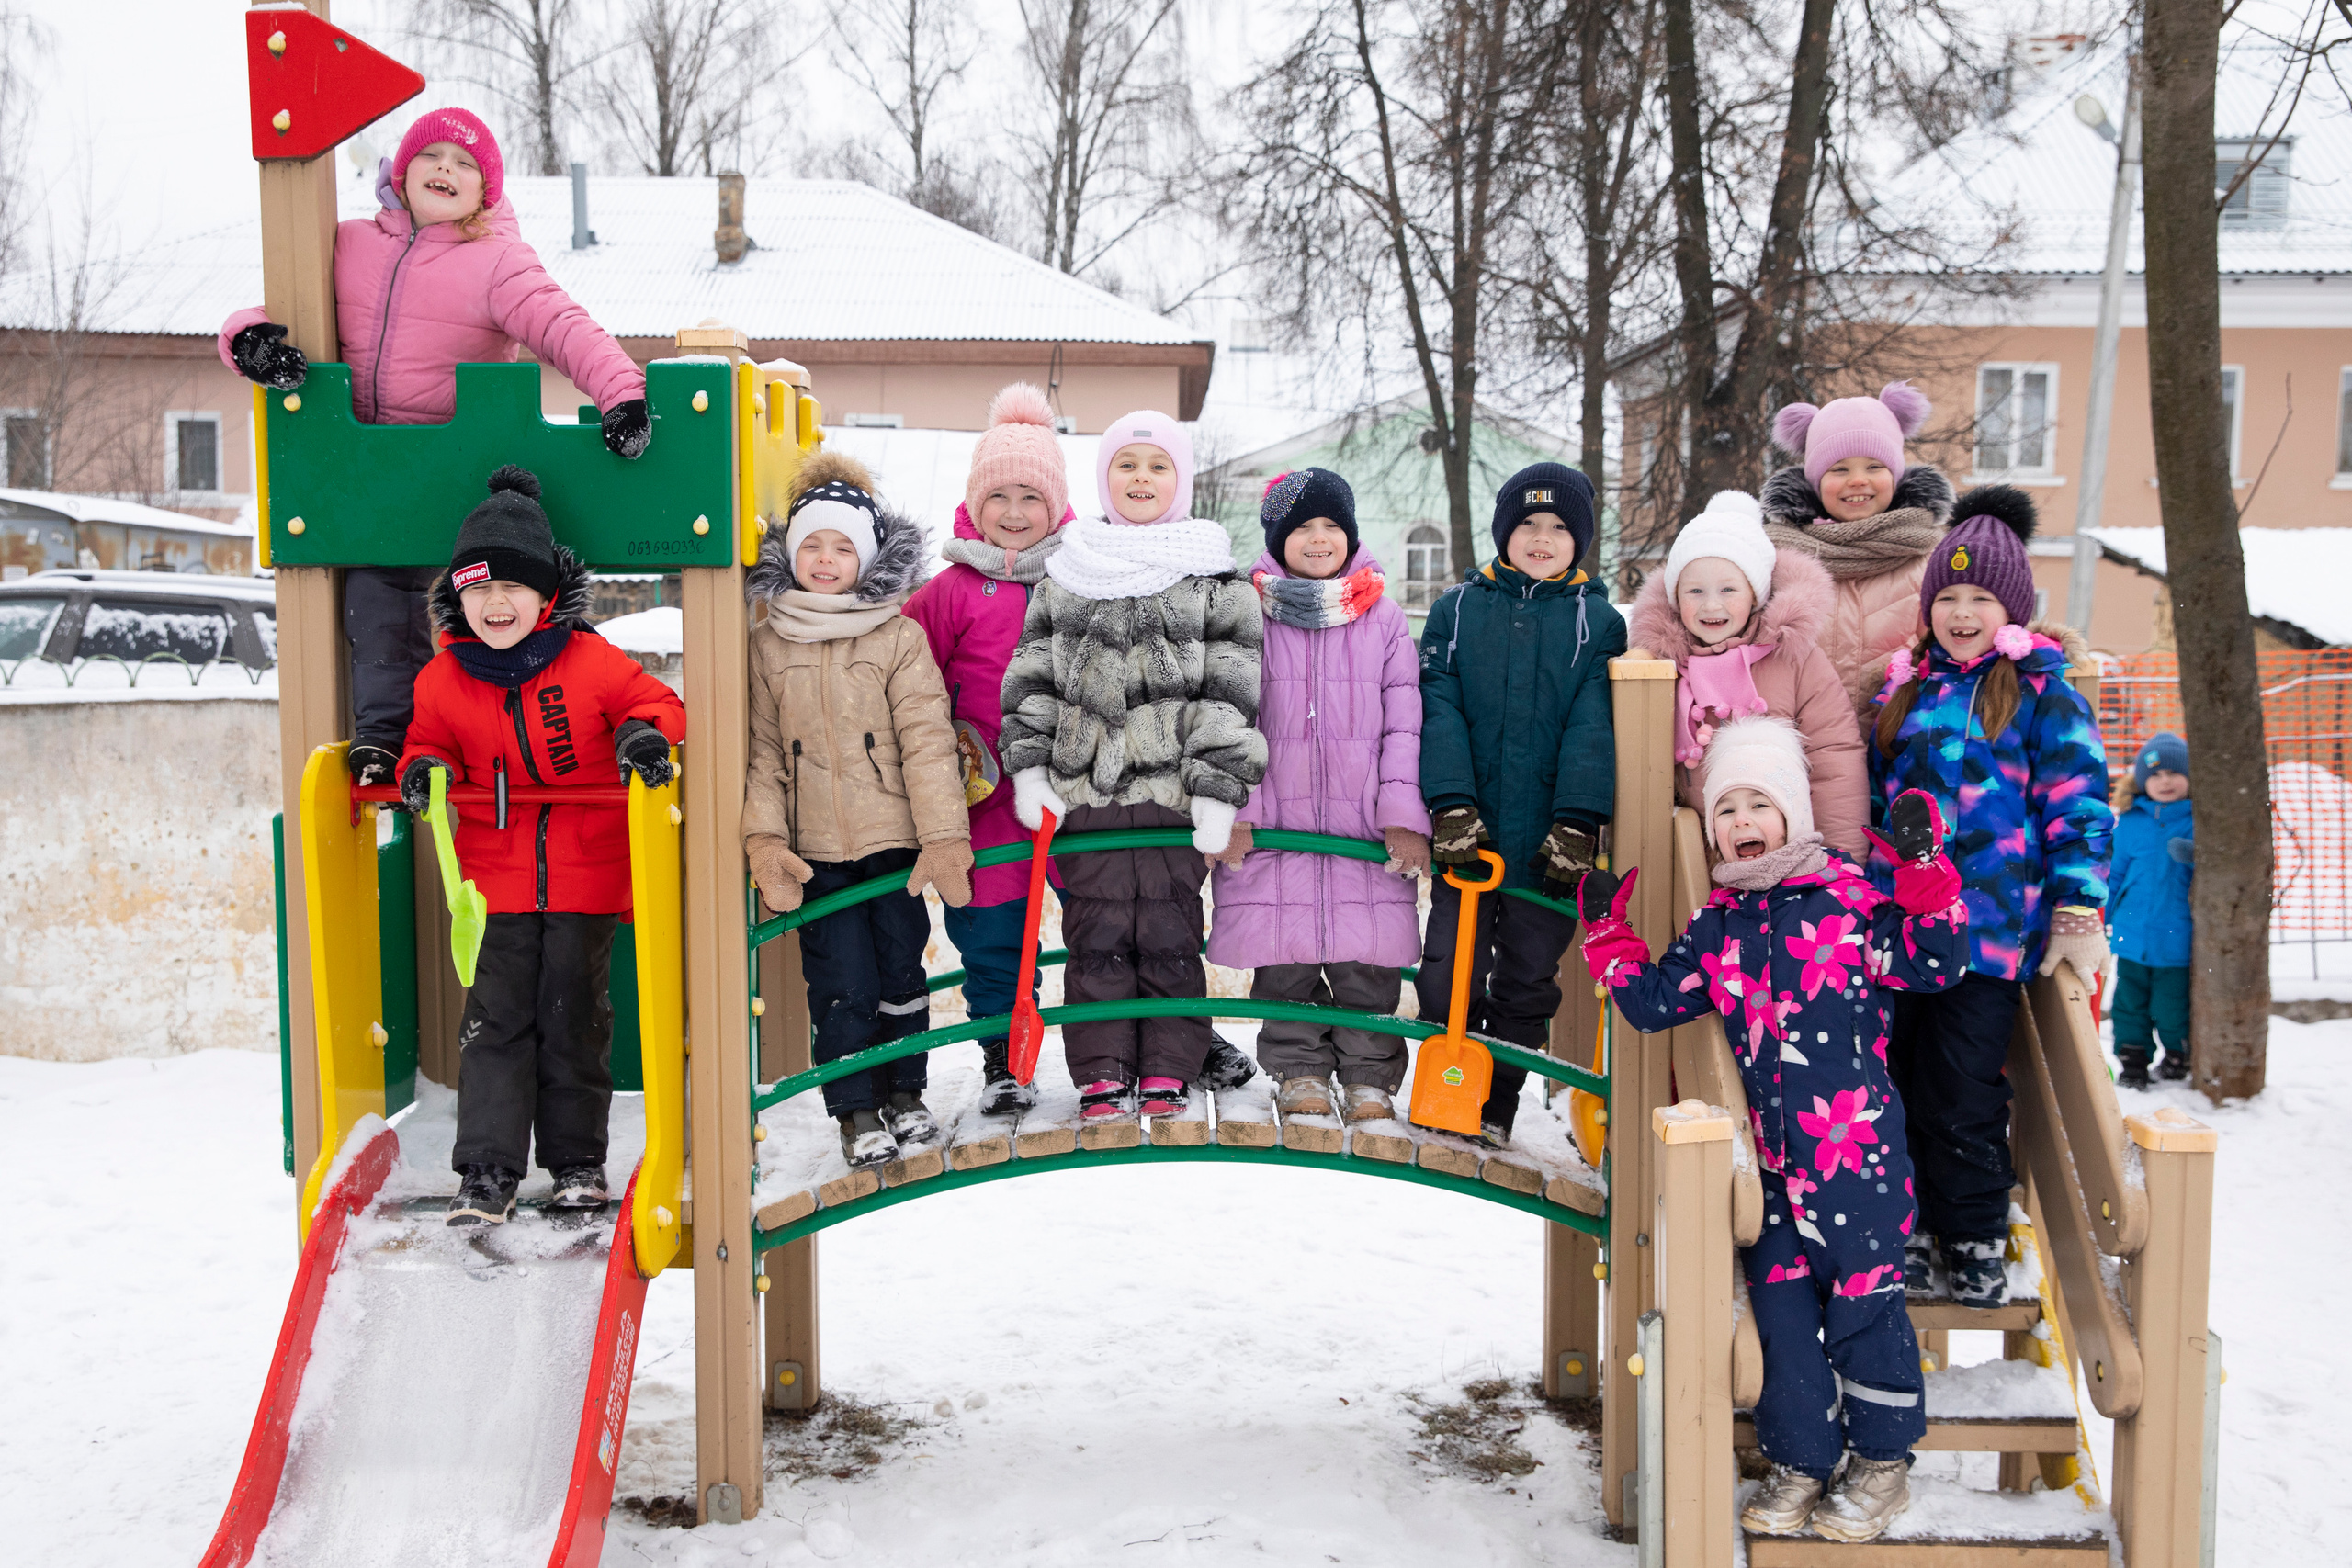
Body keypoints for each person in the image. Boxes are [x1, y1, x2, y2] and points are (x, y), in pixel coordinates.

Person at [1576, 717, 1968, 1544]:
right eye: (1726, 808)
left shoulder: (1851, 898)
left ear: (1792, 811)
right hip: (1772, 1169)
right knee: (1782, 1318)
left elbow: (1933, 962)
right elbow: (1653, 1003)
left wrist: (1926, 877)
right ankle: (1801, 1461)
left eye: (1759, 802)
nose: (1742, 820)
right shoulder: (1717, 927)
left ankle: (1883, 1462)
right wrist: (1609, 935)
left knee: (1865, 1309)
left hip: (1857, 1155)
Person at [218, 108, 650, 788]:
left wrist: (621, 394)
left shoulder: (498, 261)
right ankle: (385, 745)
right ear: (401, 172)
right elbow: (281, 304)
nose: (445, 167)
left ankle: (507, 756)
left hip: (455, 476)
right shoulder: (348, 244)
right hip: (361, 475)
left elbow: (563, 327)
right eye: (431, 155)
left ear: (485, 192)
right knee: (376, 605)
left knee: (493, 605)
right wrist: (247, 339)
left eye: (465, 163)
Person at [395, 467, 684, 1226]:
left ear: (547, 592)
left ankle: (577, 1162)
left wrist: (640, 735)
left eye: (512, 587)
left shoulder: (589, 660)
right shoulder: (445, 678)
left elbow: (656, 702)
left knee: (574, 1019)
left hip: (587, 876)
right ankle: (487, 1169)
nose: (496, 603)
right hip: (496, 883)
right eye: (479, 589)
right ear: (458, 598)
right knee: (496, 1023)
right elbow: (427, 741)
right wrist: (422, 770)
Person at [1867, 485, 2113, 1306]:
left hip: (1989, 937)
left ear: (2012, 608)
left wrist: (2077, 906)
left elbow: (2079, 804)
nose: (1962, 612)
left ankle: (1971, 1232)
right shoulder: (1904, 691)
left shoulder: (2042, 693)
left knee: (1965, 1090)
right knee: (1892, 1082)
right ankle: (1903, 1228)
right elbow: (1874, 804)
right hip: (1901, 934)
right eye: (1948, 597)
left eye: (1980, 597)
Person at [998, 411, 1267, 1122]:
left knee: (1172, 935)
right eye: (1126, 464)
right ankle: (1102, 1069)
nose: (1140, 478)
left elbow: (1231, 687)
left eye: (1156, 466)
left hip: (1173, 799)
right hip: (1090, 797)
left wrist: (1216, 787)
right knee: (1096, 936)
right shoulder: (1069, 573)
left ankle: (1169, 1065)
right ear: (1104, 477)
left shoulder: (1215, 579)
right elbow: (1032, 682)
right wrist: (1032, 770)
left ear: (1181, 479)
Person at [741, 453, 975, 1170]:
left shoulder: (897, 637)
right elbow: (762, 752)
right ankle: (855, 1109)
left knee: (900, 973)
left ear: (867, 557)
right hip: (816, 851)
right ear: (790, 552)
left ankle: (904, 1092)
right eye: (811, 544)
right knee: (843, 984)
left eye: (842, 547)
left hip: (893, 843)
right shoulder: (768, 642)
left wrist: (943, 836)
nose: (825, 559)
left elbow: (927, 741)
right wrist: (765, 839)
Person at [1205, 468, 1430, 1122]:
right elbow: (1228, 714)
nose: (1319, 538)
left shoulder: (1382, 618)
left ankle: (1369, 1076)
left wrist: (1402, 816)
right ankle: (1298, 1068)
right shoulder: (1246, 613)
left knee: (1367, 959)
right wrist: (1236, 810)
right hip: (1277, 820)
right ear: (1277, 539)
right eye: (1301, 526)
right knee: (1285, 957)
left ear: (1351, 535)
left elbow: (1404, 721)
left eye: (1332, 524)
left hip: (1361, 824)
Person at [1416, 463, 1625, 1146]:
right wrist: (1450, 803)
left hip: (1548, 843)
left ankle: (1498, 1100)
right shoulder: (1457, 611)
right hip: (1469, 834)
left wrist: (1578, 821)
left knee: (1529, 976)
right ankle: (1450, 1084)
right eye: (1528, 523)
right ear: (1504, 532)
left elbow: (1593, 725)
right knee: (1449, 969)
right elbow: (1439, 708)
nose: (1541, 537)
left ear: (1579, 541)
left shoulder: (1597, 622)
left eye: (1559, 527)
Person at [1626, 489, 1870, 859]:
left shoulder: (1795, 658)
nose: (1711, 604)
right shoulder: (1660, 666)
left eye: (1728, 589)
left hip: (1789, 858)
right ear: (1675, 598)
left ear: (1755, 594)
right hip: (1693, 858)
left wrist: (1840, 858)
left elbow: (1834, 760)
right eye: (1695, 591)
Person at [1760, 382, 1956, 708]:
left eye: (1874, 466)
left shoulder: (1928, 560)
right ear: (1816, 482)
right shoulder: (1778, 558)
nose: (1857, 480)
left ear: (1895, 476)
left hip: (1896, 732)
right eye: (1839, 469)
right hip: (1800, 732)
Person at [2109, 732, 2194, 1088]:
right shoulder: (2130, 821)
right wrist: (2103, 916)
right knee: (2129, 1004)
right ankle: (2133, 1060)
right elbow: (2115, 874)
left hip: (2177, 938)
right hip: (2133, 935)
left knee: (2170, 1007)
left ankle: (2178, 1055)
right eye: (2155, 775)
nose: (2165, 781)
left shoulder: (2198, 821)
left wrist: (2196, 855)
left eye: (2173, 773)